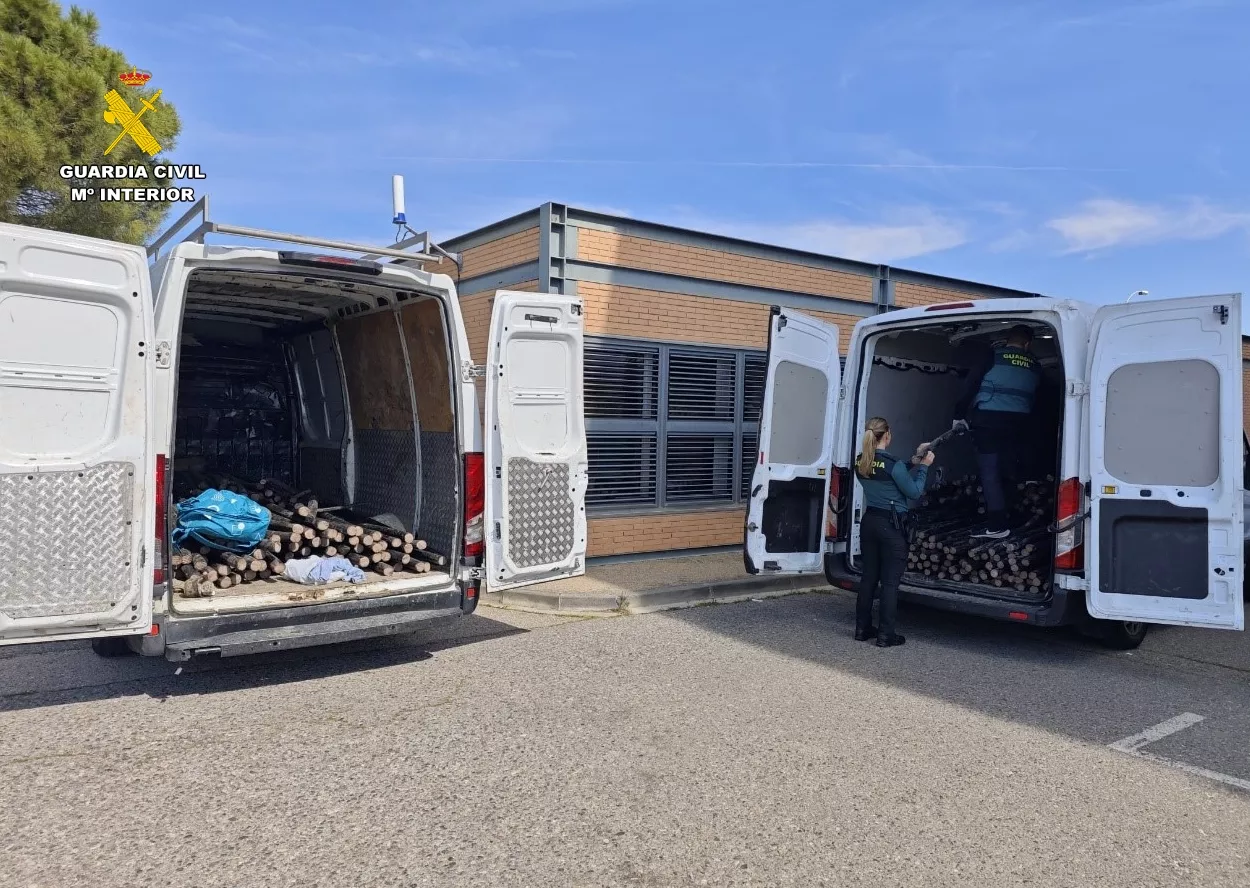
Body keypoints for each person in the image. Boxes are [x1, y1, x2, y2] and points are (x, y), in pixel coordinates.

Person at [953, 324, 1041, 540]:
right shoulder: (1035, 365)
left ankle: (997, 525)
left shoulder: (993, 356)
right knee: (1008, 469)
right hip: (1019, 423)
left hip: (988, 421)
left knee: (990, 472)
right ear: (1027, 344)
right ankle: (1010, 515)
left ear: (1007, 339)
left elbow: (970, 385)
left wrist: (959, 414)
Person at [854, 417, 933, 648]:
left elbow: (890, 474)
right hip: (891, 526)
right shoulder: (893, 464)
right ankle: (886, 635)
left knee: (868, 578)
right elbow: (915, 492)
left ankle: (862, 629)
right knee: (889, 583)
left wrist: (915, 460)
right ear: (887, 435)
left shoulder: (861, 461)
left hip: (870, 523)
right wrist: (925, 467)